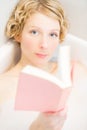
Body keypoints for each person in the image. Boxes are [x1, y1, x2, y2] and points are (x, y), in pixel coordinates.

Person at [0, 0, 87, 130]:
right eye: (34, 32)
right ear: (18, 33)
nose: (44, 44)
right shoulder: (3, 86)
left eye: (52, 34)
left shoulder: (75, 70)